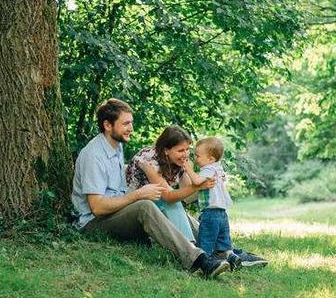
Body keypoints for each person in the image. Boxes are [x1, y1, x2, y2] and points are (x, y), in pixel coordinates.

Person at [71, 99, 230, 279]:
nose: (131, 128)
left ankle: (226, 252)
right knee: (144, 205)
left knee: (164, 201)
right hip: (93, 223)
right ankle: (198, 260)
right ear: (107, 125)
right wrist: (138, 194)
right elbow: (97, 208)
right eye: (125, 123)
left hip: (116, 213)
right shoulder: (94, 155)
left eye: (131, 122)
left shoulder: (116, 146)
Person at [126, 125, 269, 268]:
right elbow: (168, 197)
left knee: (200, 222)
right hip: (135, 207)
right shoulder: (147, 158)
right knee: (174, 204)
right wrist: (197, 185)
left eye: (188, 149)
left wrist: (212, 182)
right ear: (166, 150)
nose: (186, 154)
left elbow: (188, 196)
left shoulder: (177, 162)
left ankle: (227, 252)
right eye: (181, 150)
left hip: (159, 205)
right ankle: (195, 253)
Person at [184, 137, 241, 269]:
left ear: (211, 159)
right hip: (222, 213)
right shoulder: (218, 168)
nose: (195, 159)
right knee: (223, 242)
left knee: (206, 240)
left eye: (198, 156)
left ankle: (204, 264)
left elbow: (197, 181)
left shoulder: (208, 170)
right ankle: (230, 257)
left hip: (211, 213)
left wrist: (189, 169)